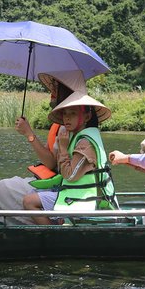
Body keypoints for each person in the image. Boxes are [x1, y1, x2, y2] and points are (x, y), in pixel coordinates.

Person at [0, 70, 88, 224]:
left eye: (56, 88)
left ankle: (46, 230)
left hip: (61, 189)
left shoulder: (74, 130)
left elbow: (56, 166)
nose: (52, 93)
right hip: (53, 184)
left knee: (2, 188)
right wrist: (29, 134)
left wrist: (29, 134)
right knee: (2, 189)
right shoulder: (62, 125)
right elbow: (50, 161)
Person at [23, 91, 117, 224]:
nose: (67, 118)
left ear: (87, 116)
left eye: (72, 113)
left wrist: (62, 147)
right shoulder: (74, 136)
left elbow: (70, 175)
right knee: (33, 191)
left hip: (87, 198)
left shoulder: (86, 142)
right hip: (74, 192)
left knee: (29, 201)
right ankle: (59, 224)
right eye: (65, 114)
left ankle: (53, 237)